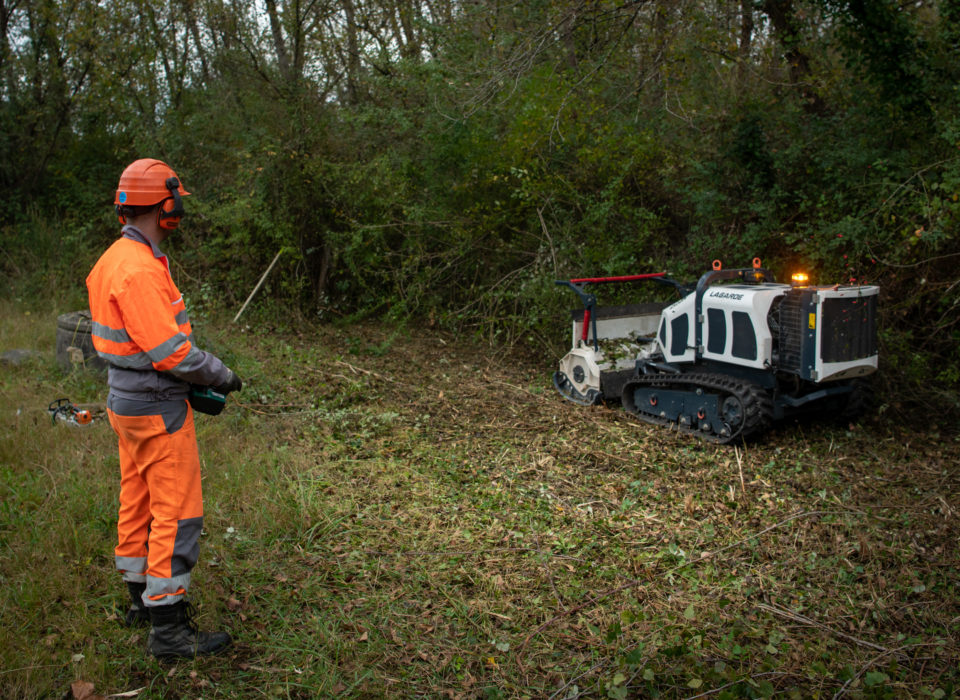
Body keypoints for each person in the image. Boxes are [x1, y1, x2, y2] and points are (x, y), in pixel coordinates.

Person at [86, 158, 243, 659]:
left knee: (138, 499)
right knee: (176, 511)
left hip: (125, 402)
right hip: (157, 406)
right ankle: (170, 631)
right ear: (167, 205)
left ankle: (139, 601)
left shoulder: (114, 257)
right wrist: (221, 374)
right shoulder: (138, 270)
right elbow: (171, 352)